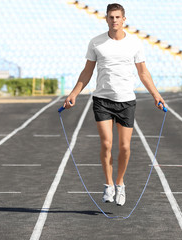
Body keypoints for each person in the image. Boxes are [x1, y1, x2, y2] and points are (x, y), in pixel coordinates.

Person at [63, 3, 165, 206]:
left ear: (124, 19)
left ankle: (120, 184)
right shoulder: (96, 43)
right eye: (111, 17)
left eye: (118, 17)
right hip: (102, 100)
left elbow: (143, 73)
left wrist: (156, 95)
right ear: (106, 19)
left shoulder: (135, 43)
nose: (114, 20)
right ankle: (108, 184)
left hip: (126, 100)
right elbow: (87, 71)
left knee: (125, 147)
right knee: (107, 143)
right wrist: (74, 93)